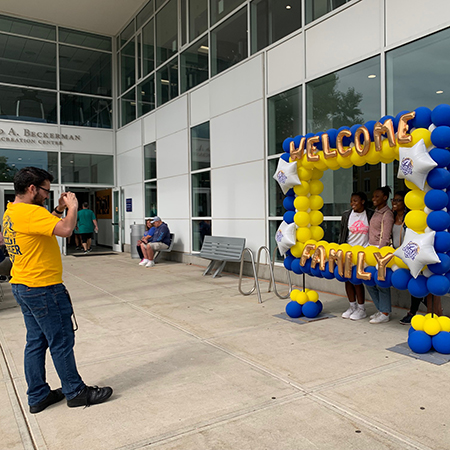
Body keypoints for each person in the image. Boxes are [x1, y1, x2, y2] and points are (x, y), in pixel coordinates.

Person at [3, 167, 112, 413]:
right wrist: (73, 206)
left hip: (23, 284)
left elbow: (47, 224)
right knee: (61, 340)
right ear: (32, 189)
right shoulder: (30, 212)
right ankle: (75, 392)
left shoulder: (12, 211)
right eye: (45, 191)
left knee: (36, 342)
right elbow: (64, 230)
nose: (47, 195)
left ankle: (38, 395)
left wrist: (60, 210)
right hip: (43, 288)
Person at [339, 192, 374, 320]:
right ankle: (352, 306)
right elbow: (342, 234)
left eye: (356, 201)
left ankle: (361, 308)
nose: (353, 204)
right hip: (348, 252)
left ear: (363, 201)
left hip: (363, 253)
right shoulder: (346, 215)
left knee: (357, 280)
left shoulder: (370, 214)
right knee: (347, 280)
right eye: (351, 201)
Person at [366, 186, 394, 324]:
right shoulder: (376, 212)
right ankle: (380, 308)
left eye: (377, 196)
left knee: (381, 283)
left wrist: (380, 255)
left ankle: (385, 312)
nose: (374, 199)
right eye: (373, 196)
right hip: (371, 250)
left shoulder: (387, 214)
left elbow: (385, 236)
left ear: (385, 198)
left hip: (380, 251)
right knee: (369, 281)